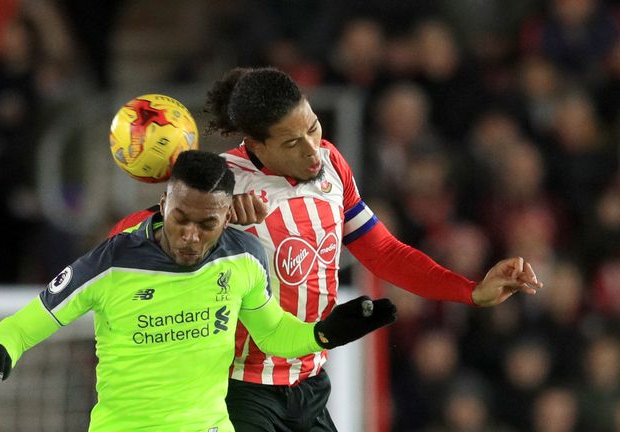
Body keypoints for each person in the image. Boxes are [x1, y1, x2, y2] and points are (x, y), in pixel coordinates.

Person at [110, 67, 542, 432]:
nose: (312, 149)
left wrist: (470, 290)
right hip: (238, 388)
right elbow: (123, 242)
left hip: (310, 382)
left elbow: (384, 252)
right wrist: (204, 220)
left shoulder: (332, 166)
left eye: (313, 127)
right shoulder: (222, 183)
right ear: (257, 145)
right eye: (292, 142)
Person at [0, 150, 398, 431]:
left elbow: (272, 334)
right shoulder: (114, 260)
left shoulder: (245, 257)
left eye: (206, 223)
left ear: (227, 216)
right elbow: (37, 316)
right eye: (179, 218)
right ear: (165, 203)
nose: (189, 234)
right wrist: (2, 345)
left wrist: (322, 334)